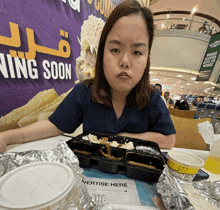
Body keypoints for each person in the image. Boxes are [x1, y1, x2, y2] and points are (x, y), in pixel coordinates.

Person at [0, 0, 176, 153]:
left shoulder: (152, 99)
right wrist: (7, 137)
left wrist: (122, 138)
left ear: (147, 60)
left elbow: (169, 140)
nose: (124, 62)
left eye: (137, 52)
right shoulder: (85, 92)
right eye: (115, 49)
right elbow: (54, 125)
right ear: (101, 55)